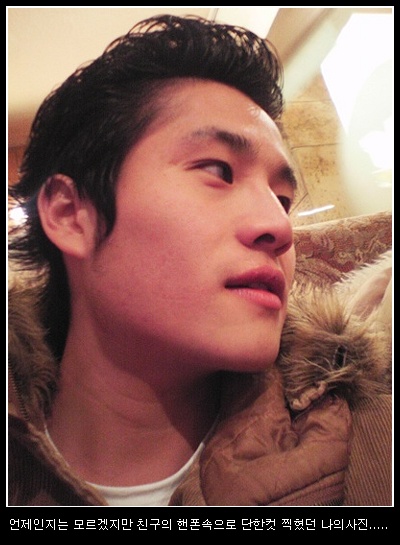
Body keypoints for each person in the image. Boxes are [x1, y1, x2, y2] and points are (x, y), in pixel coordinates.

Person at [8, 14, 391, 506]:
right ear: (70, 214)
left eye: (282, 199)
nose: (279, 228)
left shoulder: (371, 449)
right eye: (218, 170)